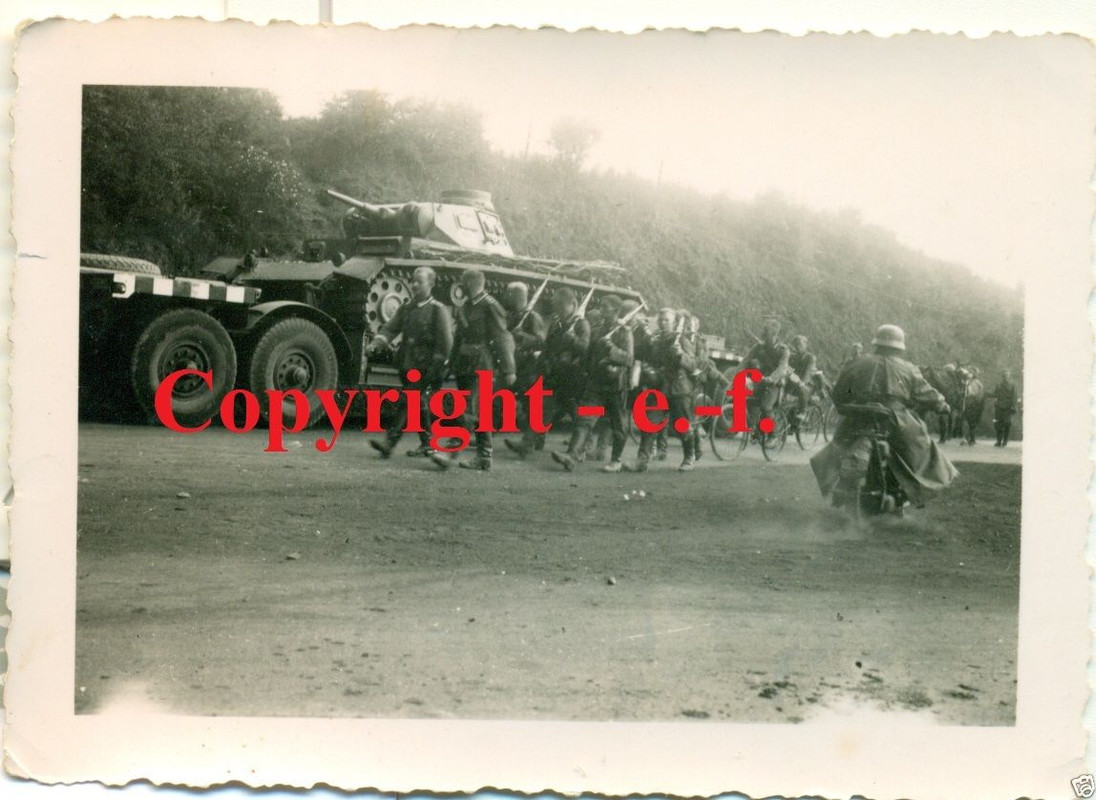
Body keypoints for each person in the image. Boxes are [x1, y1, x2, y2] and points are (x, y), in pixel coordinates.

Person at [810, 324, 958, 508]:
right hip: (895, 419)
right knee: (923, 449)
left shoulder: (857, 363)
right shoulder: (909, 368)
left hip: (858, 417)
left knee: (836, 447)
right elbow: (926, 392)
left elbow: (839, 393)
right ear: (899, 348)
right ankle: (916, 492)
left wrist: (850, 405)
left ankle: (834, 490)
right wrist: (941, 404)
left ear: (877, 344)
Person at [430, 269, 515, 471]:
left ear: (471, 283)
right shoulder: (467, 306)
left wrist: (508, 368)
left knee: (467, 409)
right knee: (482, 411)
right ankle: (484, 457)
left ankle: (451, 454)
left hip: (482, 364)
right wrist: (449, 365)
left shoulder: (490, 306)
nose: (460, 286)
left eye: (462, 282)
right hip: (466, 363)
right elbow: (458, 339)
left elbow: (502, 337)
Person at [366, 266, 453, 458]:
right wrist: (377, 342)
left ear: (431, 284)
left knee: (409, 399)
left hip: (426, 366)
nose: (414, 285)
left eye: (419, 282)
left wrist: (436, 368)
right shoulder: (407, 308)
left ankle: (390, 442)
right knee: (417, 402)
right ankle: (428, 444)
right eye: (412, 281)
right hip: (407, 363)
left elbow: (445, 343)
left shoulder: (438, 310)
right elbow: (390, 328)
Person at [550, 295, 634, 472]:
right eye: (601, 307)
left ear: (616, 311)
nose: (602, 310)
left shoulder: (624, 332)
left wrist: (612, 348)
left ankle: (616, 460)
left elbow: (628, 358)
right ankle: (572, 456)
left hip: (615, 386)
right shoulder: (597, 329)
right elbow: (588, 354)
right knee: (584, 420)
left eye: (605, 307)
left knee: (618, 424)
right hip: (596, 384)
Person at [513, 287, 591, 455]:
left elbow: (585, 349)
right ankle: (528, 443)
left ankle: (582, 446)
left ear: (573, 305)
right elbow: (547, 346)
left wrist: (574, 340)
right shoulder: (558, 324)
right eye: (556, 307)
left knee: (578, 415)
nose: (558, 311)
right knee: (542, 408)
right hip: (555, 375)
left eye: (561, 307)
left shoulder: (581, 324)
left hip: (571, 379)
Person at [626, 307, 698, 472]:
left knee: (682, 425)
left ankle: (689, 456)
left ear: (674, 323)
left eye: (667, 320)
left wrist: (680, 355)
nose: (663, 323)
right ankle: (641, 460)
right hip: (660, 387)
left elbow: (694, 365)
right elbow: (646, 359)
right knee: (649, 423)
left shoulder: (682, 341)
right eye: (661, 320)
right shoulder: (655, 341)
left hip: (679, 389)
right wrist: (647, 368)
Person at [502, 281, 547, 456]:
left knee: (530, 404)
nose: (505, 296)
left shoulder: (532, 317)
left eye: (508, 293)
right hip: (512, 364)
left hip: (528, 366)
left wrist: (523, 336)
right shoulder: (511, 315)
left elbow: (541, 341)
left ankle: (536, 437)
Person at [740, 317, 791, 431]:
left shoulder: (783, 350)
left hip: (774, 384)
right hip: (759, 381)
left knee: (766, 406)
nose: (763, 333)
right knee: (744, 399)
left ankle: (772, 433)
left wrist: (771, 378)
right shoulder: (759, 346)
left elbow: (782, 367)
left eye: (766, 330)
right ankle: (752, 426)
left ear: (774, 333)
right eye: (764, 330)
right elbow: (746, 360)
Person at [787, 334, 817, 418]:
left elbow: (808, 371)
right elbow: (788, 367)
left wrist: (802, 382)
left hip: (808, 383)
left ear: (805, 345)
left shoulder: (810, 357)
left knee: (802, 389)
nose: (797, 347)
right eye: (795, 344)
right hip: (795, 381)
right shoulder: (792, 356)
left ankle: (803, 412)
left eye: (800, 344)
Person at [992, 369, 1018, 447]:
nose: (1005, 377)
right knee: (998, 425)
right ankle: (999, 441)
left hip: (1008, 408)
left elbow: (1014, 396)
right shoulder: (999, 385)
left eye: (1007, 376)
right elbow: (995, 394)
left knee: (1007, 424)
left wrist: (1013, 406)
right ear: (1002, 377)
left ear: (1009, 377)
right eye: (1004, 376)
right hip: (999, 407)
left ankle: (1005, 441)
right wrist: (992, 398)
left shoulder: (1013, 385)